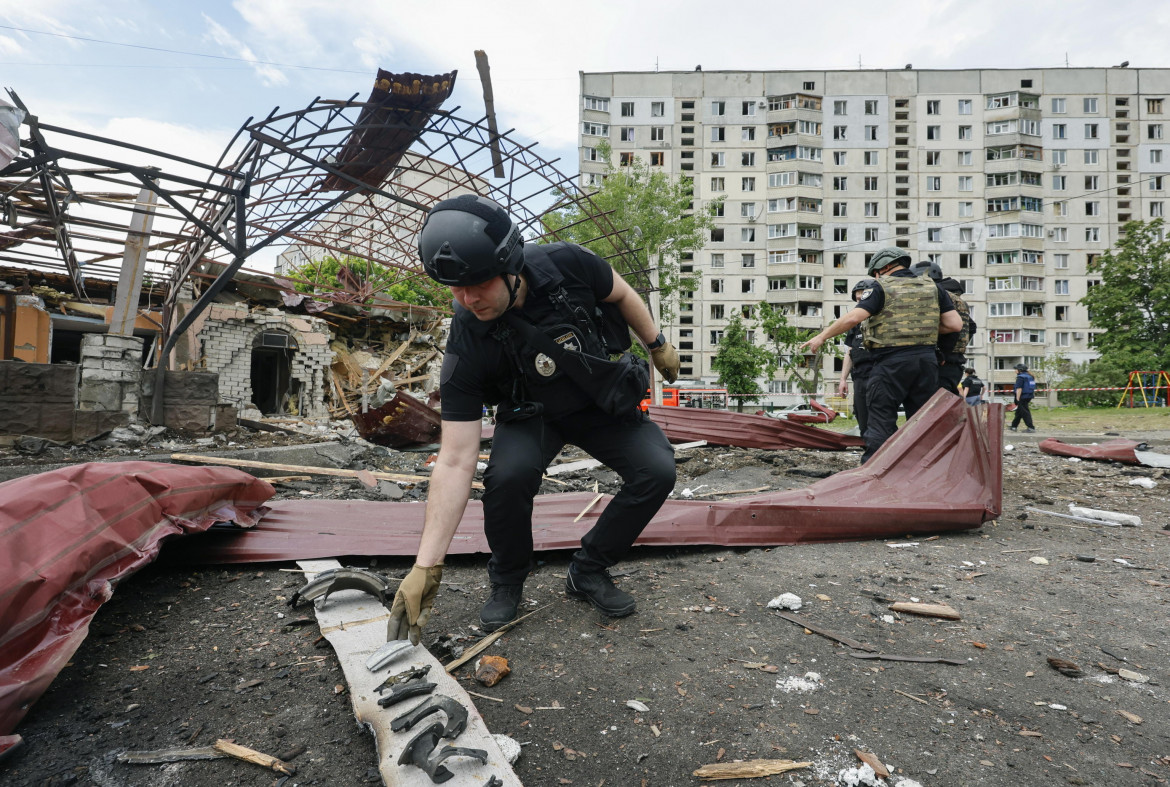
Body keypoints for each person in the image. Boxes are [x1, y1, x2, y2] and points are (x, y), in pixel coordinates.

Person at [386, 195, 680, 644]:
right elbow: (454, 460)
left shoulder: (568, 264)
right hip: (530, 414)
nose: (467, 300)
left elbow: (620, 292)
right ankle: (507, 579)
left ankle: (589, 569)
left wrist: (657, 344)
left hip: (596, 402)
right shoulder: (466, 342)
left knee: (656, 470)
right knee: (508, 478)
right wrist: (426, 566)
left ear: (511, 266)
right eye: (455, 289)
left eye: (479, 284)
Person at [801, 247, 961, 462]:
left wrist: (822, 336)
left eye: (876, 273)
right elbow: (954, 325)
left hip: (891, 362)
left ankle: (875, 471)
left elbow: (853, 318)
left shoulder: (881, 287)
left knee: (880, 418)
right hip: (926, 362)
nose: (877, 276)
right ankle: (925, 470)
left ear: (884, 267)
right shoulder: (933, 288)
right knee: (922, 420)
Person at [909, 261, 975, 395]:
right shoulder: (956, 298)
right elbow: (971, 327)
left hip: (941, 362)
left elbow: (954, 328)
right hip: (953, 362)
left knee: (933, 406)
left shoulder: (939, 295)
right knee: (945, 403)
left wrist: (941, 353)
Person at [835, 278, 876, 436]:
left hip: (878, 374)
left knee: (879, 416)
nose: (860, 303)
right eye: (858, 299)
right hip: (859, 377)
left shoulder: (881, 320)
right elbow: (849, 352)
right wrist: (843, 379)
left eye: (863, 299)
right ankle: (868, 448)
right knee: (861, 414)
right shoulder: (855, 325)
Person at [1010, 362, 1037, 432]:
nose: (1015, 370)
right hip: (1029, 396)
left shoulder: (1020, 377)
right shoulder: (1030, 376)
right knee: (1020, 411)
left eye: (1016, 369)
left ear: (1020, 370)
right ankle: (1014, 426)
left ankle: (1031, 427)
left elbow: (1019, 388)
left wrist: (1017, 398)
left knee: (1025, 412)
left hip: (1022, 396)